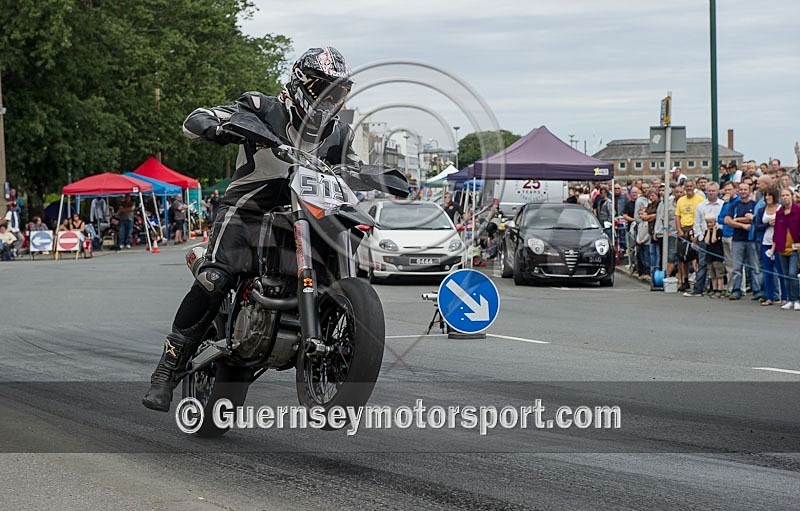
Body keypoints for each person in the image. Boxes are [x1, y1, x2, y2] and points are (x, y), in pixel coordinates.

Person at [143, 46, 361, 412]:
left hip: (309, 214)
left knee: (346, 240)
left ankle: (341, 347)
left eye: (336, 91)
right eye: (321, 88)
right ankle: (167, 369)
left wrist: (374, 175)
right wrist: (218, 124)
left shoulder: (340, 133)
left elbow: (354, 166)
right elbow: (196, 120)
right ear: (300, 83)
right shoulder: (262, 108)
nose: (328, 98)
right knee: (214, 278)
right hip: (250, 210)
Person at [725, 181, 763, 301]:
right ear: (738, 191)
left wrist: (737, 220)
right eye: (740, 189)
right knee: (737, 267)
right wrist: (742, 224)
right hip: (737, 239)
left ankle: (757, 291)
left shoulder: (755, 205)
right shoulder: (734, 205)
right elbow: (727, 220)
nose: (743, 192)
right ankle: (736, 290)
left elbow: (755, 220)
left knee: (755, 267)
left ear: (749, 191)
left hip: (752, 239)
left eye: (745, 189)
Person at [685, 182, 723, 297]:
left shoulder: (722, 204)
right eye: (709, 191)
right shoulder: (701, 206)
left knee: (717, 265)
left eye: (713, 191)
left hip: (717, 240)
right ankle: (698, 289)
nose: (711, 193)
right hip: (704, 239)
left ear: (717, 191)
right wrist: (700, 237)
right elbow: (697, 223)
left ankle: (716, 288)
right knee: (703, 264)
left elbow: (722, 221)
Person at [771, 187, 800, 310]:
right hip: (782, 247)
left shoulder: (798, 211)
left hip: (795, 248)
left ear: (792, 196)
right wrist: (773, 247)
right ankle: (790, 299)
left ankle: (797, 298)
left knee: (792, 273)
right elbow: (776, 231)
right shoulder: (779, 213)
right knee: (785, 274)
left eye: (787, 195)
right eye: (783, 196)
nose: (785, 198)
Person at [754, 187, 783, 306]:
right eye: (765, 196)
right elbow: (757, 226)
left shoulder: (781, 209)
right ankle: (769, 297)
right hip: (766, 242)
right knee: (767, 271)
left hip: (780, 243)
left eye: (769, 196)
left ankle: (784, 297)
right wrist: (767, 224)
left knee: (781, 271)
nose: (767, 198)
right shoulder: (761, 210)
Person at [675, 179, 703, 292]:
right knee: (683, 258)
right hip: (683, 229)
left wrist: (695, 232)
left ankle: (698, 281)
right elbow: (677, 216)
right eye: (687, 186)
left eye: (691, 186)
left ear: (694, 187)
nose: (689, 188)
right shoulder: (681, 200)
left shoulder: (700, 200)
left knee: (696, 257)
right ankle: (684, 280)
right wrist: (679, 230)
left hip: (695, 229)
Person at [703, 214, 726, 298]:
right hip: (709, 256)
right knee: (712, 274)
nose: (709, 224)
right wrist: (709, 231)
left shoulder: (719, 231)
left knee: (719, 274)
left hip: (717, 255)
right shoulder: (706, 232)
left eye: (711, 222)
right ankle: (714, 289)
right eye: (707, 223)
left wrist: (715, 230)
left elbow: (713, 240)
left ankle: (720, 290)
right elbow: (707, 241)